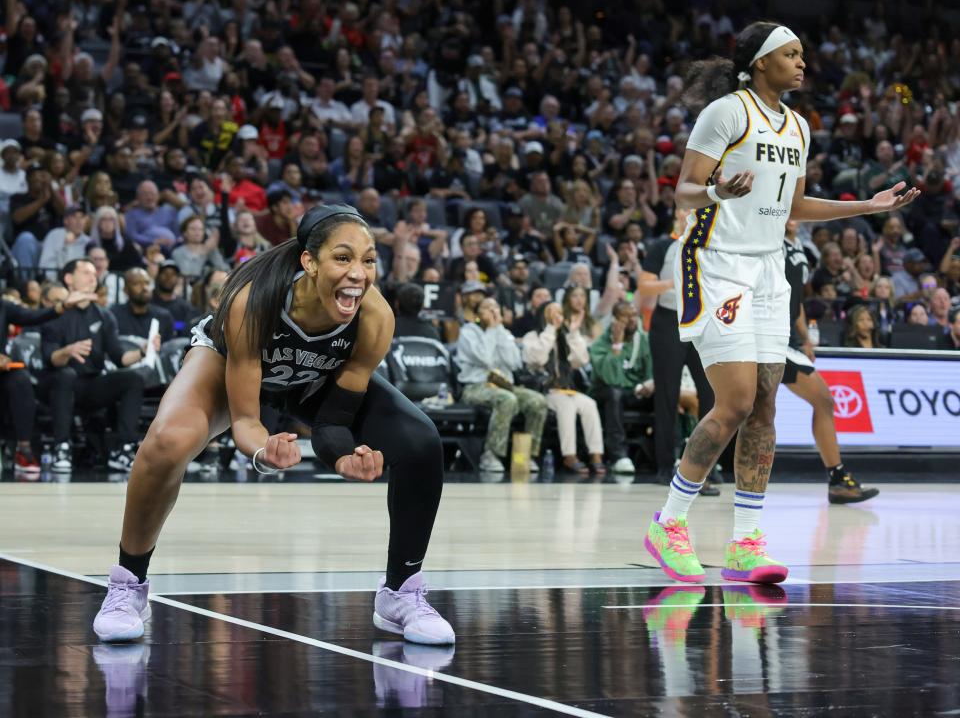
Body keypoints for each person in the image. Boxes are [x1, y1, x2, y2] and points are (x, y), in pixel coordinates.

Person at [92, 205, 454, 647]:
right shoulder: (253, 300)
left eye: (369, 260)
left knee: (420, 441)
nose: (358, 273)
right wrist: (264, 452)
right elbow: (247, 417)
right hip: (229, 362)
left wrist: (341, 457)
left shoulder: (375, 317)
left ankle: (401, 592)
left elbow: (335, 418)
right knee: (169, 440)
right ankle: (129, 584)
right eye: (343, 258)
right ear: (310, 262)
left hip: (311, 377)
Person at [646, 21, 919, 585]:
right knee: (737, 401)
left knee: (767, 406)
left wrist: (864, 206)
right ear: (761, 62)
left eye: (803, 54)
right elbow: (685, 190)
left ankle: (746, 542)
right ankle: (669, 524)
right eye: (791, 54)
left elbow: (793, 204)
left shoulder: (797, 125)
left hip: (770, 268)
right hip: (719, 264)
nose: (801, 63)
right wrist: (718, 191)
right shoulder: (726, 112)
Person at [782, 219, 878, 504]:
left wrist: (804, 338)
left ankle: (837, 480)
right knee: (740, 411)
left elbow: (795, 299)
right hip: (767, 337)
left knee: (823, 402)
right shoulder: (769, 241)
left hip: (787, 341)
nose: (793, 213)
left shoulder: (798, 247)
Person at [39, 259, 154, 473]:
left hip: (90, 384)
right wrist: (67, 351)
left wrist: (142, 352)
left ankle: (123, 449)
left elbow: (119, 357)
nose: (93, 277)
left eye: (94, 273)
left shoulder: (104, 315)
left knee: (132, 379)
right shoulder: (56, 313)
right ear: (68, 279)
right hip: (57, 385)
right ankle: (61, 446)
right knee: (66, 374)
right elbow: (50, 358)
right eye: (85, 272)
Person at [639, 207, 725, 493]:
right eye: (685, 209)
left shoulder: (710, 246)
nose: (690, 213)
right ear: (677, 214)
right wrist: (675, 282)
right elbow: (643, 286)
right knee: (667, 395)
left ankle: (705, 466)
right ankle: (665, 465)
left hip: (701, 323)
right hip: (668, 323)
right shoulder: (662, 246)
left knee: (710, 396)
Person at [0, 284, 97, 475]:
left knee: (20, 379)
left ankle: (24, 449)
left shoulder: (3, 306)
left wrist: (63, 306)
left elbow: (33, 316)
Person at [456, 296, 548, 473]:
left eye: (495, 307)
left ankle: (527, 455)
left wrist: (499, 331)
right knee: (507, 400)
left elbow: (514, 363)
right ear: (477, 314)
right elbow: (486, 359)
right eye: (486, 308)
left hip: (505, 386)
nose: (492, 311)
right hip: (476, 387)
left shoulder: (503, 332)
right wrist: (492, 330)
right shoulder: (468, 332)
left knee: (538, 401)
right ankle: (491, 455)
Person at [522, 301, 604, 475]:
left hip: (567, 390)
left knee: (589, 404)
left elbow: (581, 360)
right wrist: (550, 330)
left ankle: (596, 455)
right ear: (542, 315)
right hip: (545, 391)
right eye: (551, 312)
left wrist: (574, 332)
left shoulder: (565, 337)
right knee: (566, 406)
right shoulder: (533, 336)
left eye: (559, 312)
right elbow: (538, 358)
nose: (556, 316)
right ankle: (569, 456)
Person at [588, 301, 654, 474]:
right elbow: (611, 379)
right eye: (626, 316)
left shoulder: (644, 339)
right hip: (605, 392)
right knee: (614, 393)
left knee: (665, 394)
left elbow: (652, 372)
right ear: (615, 320)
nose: (632, 320)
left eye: (634, 315)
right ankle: (619, 456)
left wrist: (650, 383)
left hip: (636, 391)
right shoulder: (601, 344)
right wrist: (616, 345)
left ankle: (671, 454)